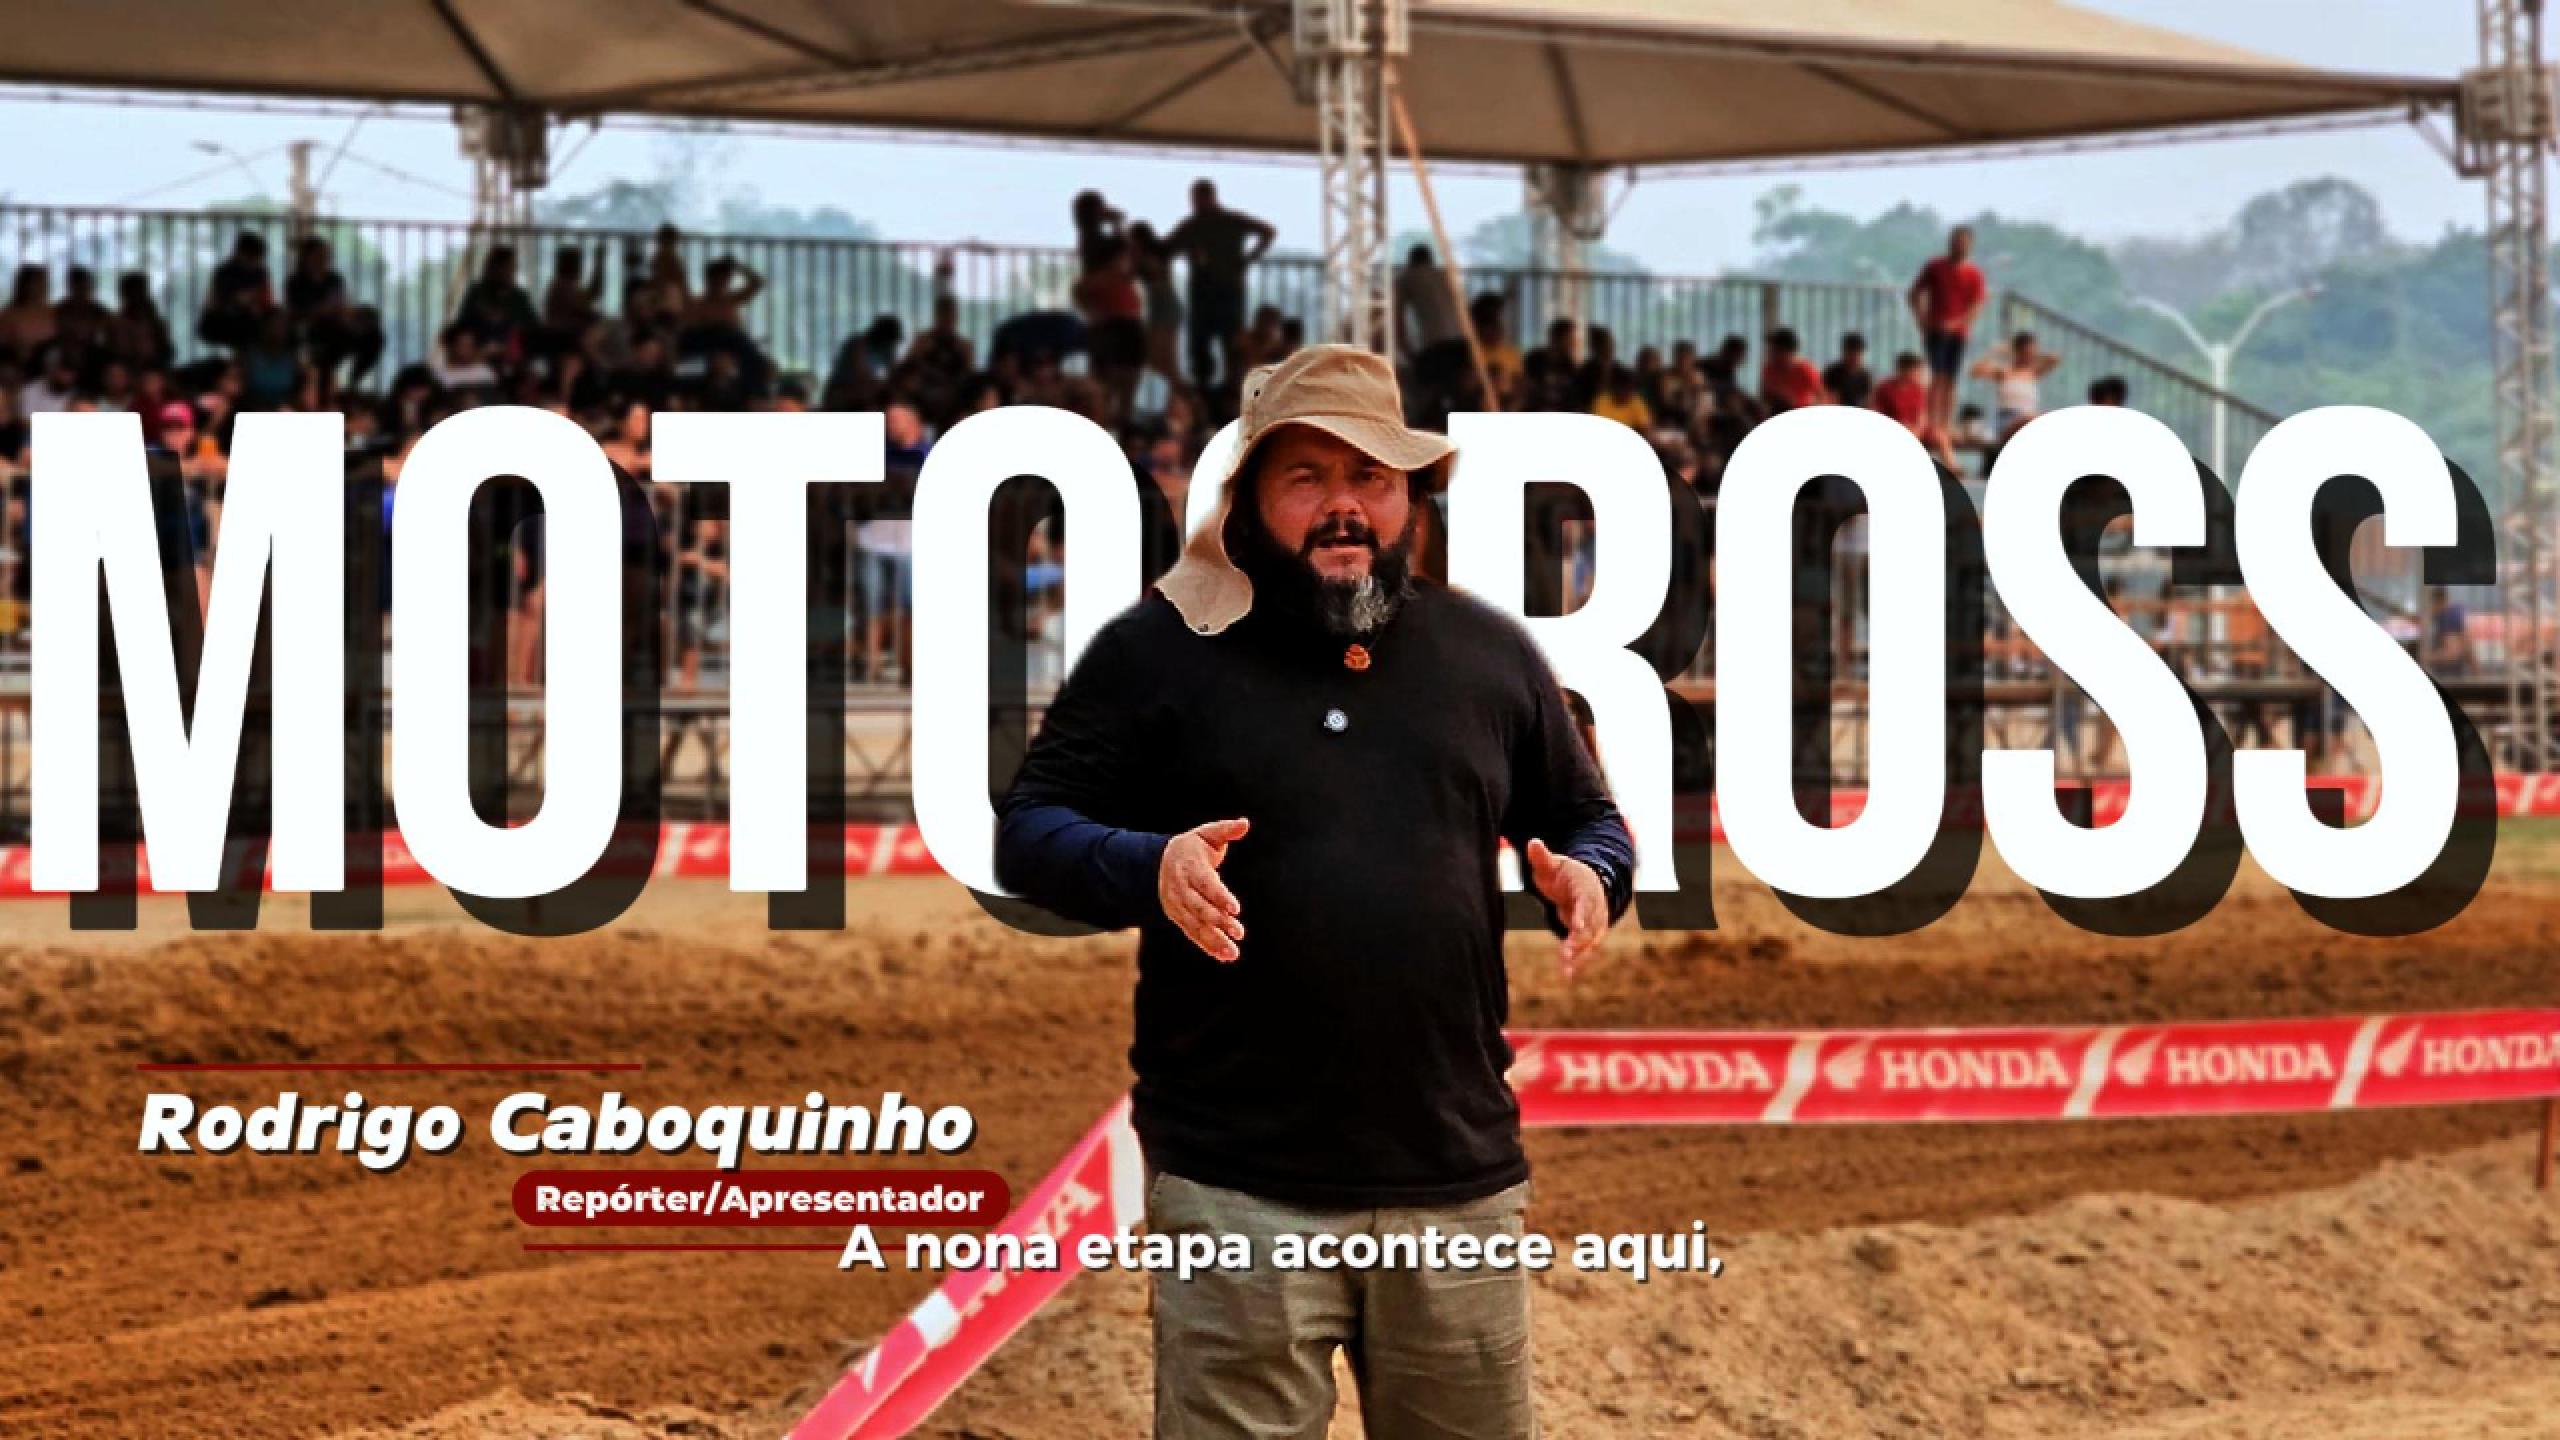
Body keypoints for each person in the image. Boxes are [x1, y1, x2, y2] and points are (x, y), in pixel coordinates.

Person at [994, 344, 1632, 1440]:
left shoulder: (1487, 655)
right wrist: (1147, 865)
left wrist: (1591, 874)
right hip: (1237, 1186)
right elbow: (1031, 831)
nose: (1344, 508)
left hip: (1455, 1179)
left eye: (1370, 479)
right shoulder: (1160, 651)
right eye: (1308, 478)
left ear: (1409, 499)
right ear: (1249, 501)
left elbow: (1586, 817)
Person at [1163, 178, 1276, 392]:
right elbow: (1268, 232)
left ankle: (1221, 390)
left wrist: (1248, 259)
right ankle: (1220, 391)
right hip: (1218, 292)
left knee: (1220, 347)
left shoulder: (1200, 224)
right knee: (1215, 347)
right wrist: (1247, 259)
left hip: (1214, 293)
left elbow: (1166, 248)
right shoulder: (1216, 222)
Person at [1909, 225, 1986, 437]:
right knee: (1937, 376)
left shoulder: (1973, 273)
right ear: (1950, 243)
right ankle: (1932, 422)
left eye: (1963, 242)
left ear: (1969, 245)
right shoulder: (1935, 266)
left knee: (1951, 379)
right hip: (1936, 330)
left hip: (1958, 334)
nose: (1959, 246)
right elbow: (1914, 293)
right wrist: (1922, 321)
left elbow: (1977, 304)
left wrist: (1961, 323)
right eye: (1956, 241)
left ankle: (1946, 423)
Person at [1394, 245, 1469, 411]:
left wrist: (1406, 350)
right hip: (1460, 342)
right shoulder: (1446, 276)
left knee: (1427, 393)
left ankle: (1429, 427)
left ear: (1410, 261)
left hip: (1434, 344)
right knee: (1457, 393)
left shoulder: (1406, 278)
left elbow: (1398, 318)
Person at [1971, 330, 2061, 435]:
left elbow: (2054, 358)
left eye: (2032, 352)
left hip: (2028, 420)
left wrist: (2035, 353)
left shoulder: (2033, 373)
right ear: (2018, 351)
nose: (2030, 356)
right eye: (2027, 352)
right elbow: (1974, 371)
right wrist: (1995, 351)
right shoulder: (2005, 372)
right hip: (2007, 420)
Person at [200, 231, 275, 352]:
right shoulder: (224, 273)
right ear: (241, 254)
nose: (256, 262)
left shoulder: (260, 273)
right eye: (254, 257)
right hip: (225, 320)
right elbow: (217, 303)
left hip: (250, 319)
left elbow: (266, 300)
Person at [1758, 327, 1828, 413]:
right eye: (1771, 349)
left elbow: (1822, 397)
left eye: (1774, 349)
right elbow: (1764, 397)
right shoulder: (1769, 369)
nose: (1770, 353)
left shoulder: (1805, 370)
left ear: (1788, 351)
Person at [0, 266, 54, 367]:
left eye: (43, 283)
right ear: (24, 285)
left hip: (48, 366)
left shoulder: (51, 312)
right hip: (17, 365)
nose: (40, 287)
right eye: (35, 283)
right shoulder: (10, 314)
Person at [1822, 331, 1874, 409]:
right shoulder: (1832, 373)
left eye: (1858, 354)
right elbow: (1825, 398)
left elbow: (1868, 401)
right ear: (1844, 352)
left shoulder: (1865, 376)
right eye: (1851, 354)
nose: (1855, 358)